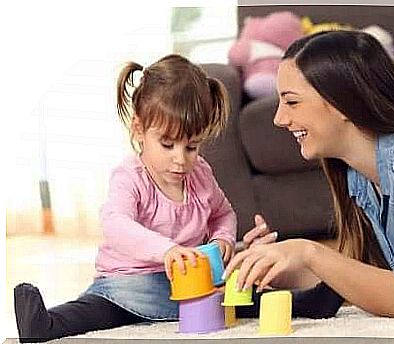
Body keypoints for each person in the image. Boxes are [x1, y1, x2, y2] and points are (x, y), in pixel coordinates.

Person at [225, 30, 394, 319]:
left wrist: (308, 251)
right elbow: (357, 275)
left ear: (342, 101)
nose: (279, 118)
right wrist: (274, 262)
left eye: (292, 102)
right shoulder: (357, 175)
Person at [14, 54, 237, 342]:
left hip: (188, 284)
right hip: (128, 284)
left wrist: (223, 240)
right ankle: (46, 324)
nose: (180, 159)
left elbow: (223, 213)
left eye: (192, 146)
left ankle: (304, 298)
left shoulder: (201, 174)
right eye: (167, 144)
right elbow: (115, 224)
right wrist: (166, 250)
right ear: (139, 130)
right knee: (95, 311)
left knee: (241, 291)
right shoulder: (130, 176)